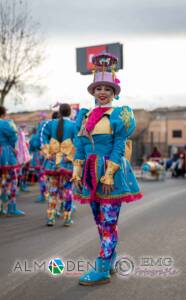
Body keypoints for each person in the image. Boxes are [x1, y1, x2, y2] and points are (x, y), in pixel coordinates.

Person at [72, 52, 143, 286]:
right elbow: (81, 145)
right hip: (89, 173)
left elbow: (119, 147)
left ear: (114, 93)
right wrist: (77, 171)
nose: (102, 92)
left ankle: (102, 266)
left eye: (107, 89)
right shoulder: (85, 116)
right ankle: (110, 258)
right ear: (93, 92)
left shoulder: (120, 115)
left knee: (109, 221)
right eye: (99, 88)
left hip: (110, 173)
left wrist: (109, 173)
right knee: (99, 221)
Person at [41, 104, 76, 226]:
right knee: (68, 191)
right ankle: (67, 218)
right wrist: (70, 157)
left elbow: (43, 137)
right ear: (70, 112)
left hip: (52, 162)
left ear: (59, 112)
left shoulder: (50, 124)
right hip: (67, 163)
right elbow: (78, 143)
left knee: (53, 190)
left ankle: (50, 217)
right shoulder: (74, 125)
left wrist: (47, 152)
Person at [0, 106, 25, 216]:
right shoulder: (5, 124)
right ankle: (11, 207)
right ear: (3, 114)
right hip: (6, 155)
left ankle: (1, 208)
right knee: (12, 180)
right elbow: (14, 139)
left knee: (2, 182)